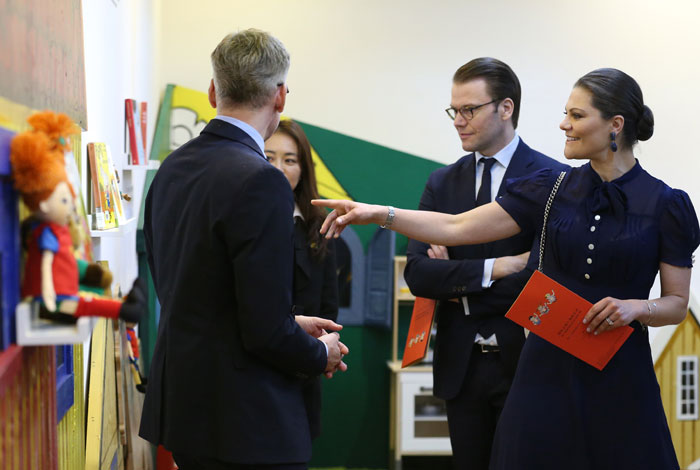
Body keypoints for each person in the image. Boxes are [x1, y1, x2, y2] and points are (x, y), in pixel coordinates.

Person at [313, 68, 699, 470]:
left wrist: (637, 308)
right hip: (543, 373)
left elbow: (674, 302)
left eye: (577, 115)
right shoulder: (551, 187)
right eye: (566, 113)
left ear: (615, 125)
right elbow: (456, 226)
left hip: (618, 373)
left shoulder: (666, 204)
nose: (563, 124)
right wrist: (379, 213)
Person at [139, 29, 348, 470]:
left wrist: (288, 321)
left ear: (213, 90)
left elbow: (191, 294)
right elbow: (264, 330)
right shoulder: (261, 181)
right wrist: (319, 353)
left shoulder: (172, 168)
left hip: (184, 412)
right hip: (244, 424)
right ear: (280, 96)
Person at [402, 57, 566, 470]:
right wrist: (502, 267)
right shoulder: (441, 183)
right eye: (453, 110)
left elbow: (544, 277)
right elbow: (419, 274)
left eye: (469, 109)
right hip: (461, 367)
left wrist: (456, 282)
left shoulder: (555, 178)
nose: (458, 120)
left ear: (505, 108)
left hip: (529, 361)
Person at [265, 119, 339, 440]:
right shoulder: (244, 220)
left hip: (303, 366)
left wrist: (320, 351)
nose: (278, 168)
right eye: (268, 157)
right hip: (253, 369)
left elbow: (328, 304)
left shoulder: (317, 224)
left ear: (303, 168)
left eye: (289, 160)